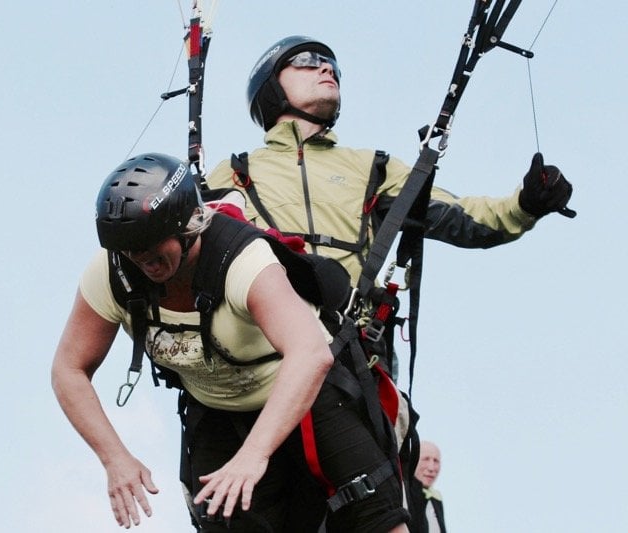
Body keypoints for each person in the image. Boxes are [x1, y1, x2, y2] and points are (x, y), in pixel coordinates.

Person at [205, 33, 573, 529]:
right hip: (258, 361)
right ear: (271, 88)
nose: (326, 69)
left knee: (376, 516)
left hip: (348, 360)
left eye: (332, 63)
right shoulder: (233, 173)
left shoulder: (370, 168)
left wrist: (524, 206)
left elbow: (459, 216)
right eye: (307, 62)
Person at [52, 152, 410, 532]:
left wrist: (255, 454)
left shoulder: (243, 261)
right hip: (218, 412)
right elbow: (68, 369)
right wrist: (114, 458)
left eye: (153, 246)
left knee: (377, 518)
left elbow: (309, 355)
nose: (144, 260)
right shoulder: (114, 273)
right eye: (130, 250)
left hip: (308, 394)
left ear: (187, 227)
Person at [410, 441, 447, 533]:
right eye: (426, 459)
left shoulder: (436, 498)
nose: (431, 468)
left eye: (436, 461)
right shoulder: (403, 493)